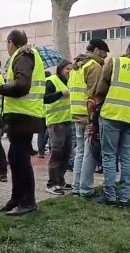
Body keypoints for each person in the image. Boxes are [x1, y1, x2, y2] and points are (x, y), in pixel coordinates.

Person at [93, 40, 130, 207]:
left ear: (127, 49)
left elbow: (102, 87)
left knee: (109, 156)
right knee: (126, 157)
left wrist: (97, 105)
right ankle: (124, 197)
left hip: (112, 114)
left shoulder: (115, 62)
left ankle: (110, 195)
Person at [0, 30, 45, 216]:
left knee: (21, 160)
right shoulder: (25, 55)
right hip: (22, 114)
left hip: (24, 115)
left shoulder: (23, 56)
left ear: (10, 42)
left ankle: (28, 201)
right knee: (15, 158)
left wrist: (1, 89)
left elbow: (22, 86)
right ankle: (17, 198)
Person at [69, 38, 109, 198]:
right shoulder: (94, 67)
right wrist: (94, 117)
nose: (105, 57)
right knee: (89, 153)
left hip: (76, 113)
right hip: (88, 115)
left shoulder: (76, 66)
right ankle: (86, 188)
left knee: (80, 151)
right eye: (105, 53)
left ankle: (76, 186)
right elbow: (95, 95)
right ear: (98, 50)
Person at [44, 59, 73, 195]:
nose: (70, 71)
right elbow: (44, 98)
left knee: (66, 153)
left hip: (68, 121)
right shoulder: (52, 80)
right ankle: (52, 183)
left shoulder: (70, 82)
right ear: (60, 69)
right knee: (56, 153)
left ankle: (60, 180)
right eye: (67, 69)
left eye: (71, 69)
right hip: (56, 122)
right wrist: (60, 94)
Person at [37, 71, 51, 158]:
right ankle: (49, 148)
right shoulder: (50, 84)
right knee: (49, 132)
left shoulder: (39, 85)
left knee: (41, 133)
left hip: (40, 112)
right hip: (48, 112)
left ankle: (40, 151)